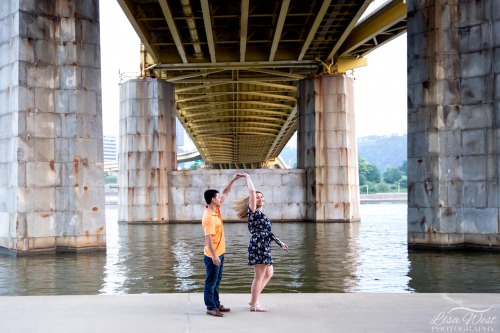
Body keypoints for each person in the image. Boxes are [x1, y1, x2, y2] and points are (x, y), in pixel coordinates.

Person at [233, 173, 288, 312]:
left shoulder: (262, 215)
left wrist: (279, 242)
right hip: (258, 245)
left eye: (262, 197)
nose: (260, 198)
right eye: (257, 197)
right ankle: (254, 304)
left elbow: (267, 232)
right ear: (252, 201)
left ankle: (254, 300)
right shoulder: (252, 212)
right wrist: (247, 177)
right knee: (259, 276)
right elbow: (251, 191)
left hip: (264, 245)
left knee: (269, 273)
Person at [202, 173, 245, 317]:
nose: (221, 198)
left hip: (220, 252)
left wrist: (233, 179)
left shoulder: (216, 210)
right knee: (211, 282)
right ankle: (210, 307)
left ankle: (216, 304)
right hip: (212, 255)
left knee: (217, 280)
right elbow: (208, 239)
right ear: (213, 200)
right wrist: (214, 256)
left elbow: (226, 192)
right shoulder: (208, 217)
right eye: (218, 197)